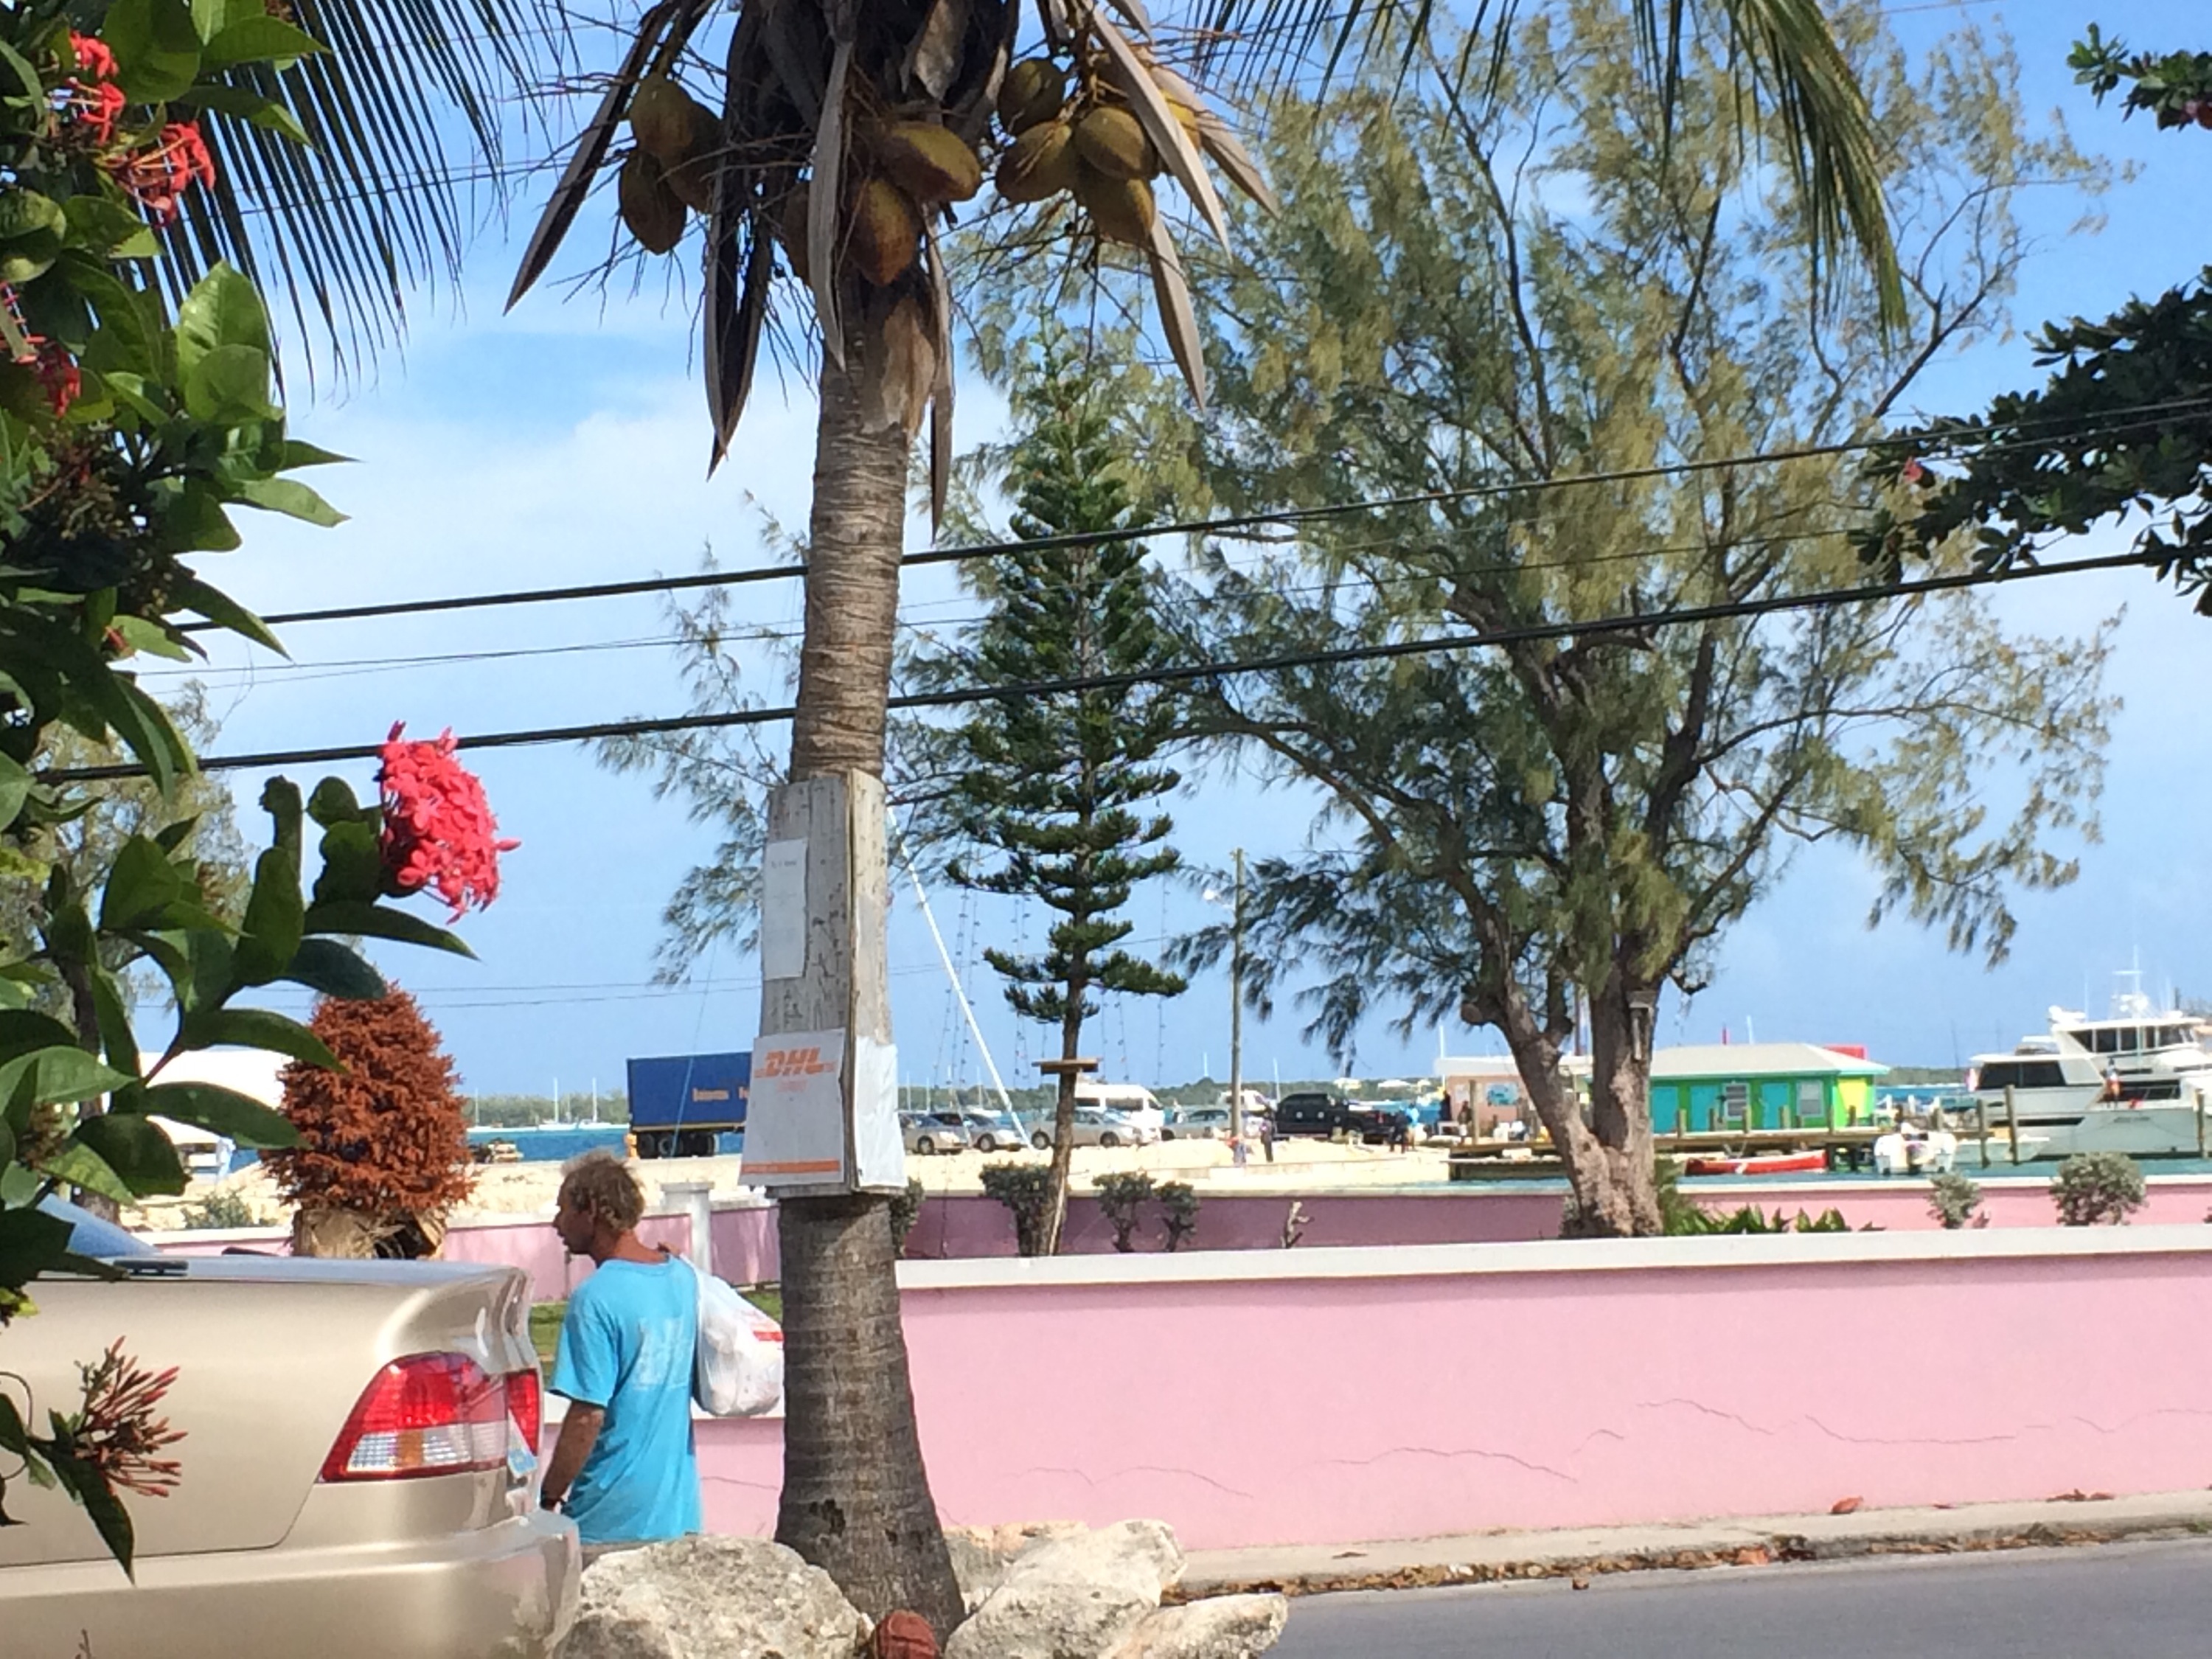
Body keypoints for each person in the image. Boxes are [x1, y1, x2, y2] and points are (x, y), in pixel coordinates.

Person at [541, 1151, 700, 1551]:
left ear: (591, 1212)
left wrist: (549, 1495)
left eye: (564, 1210)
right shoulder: (682, 1277)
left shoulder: (594, 1298)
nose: (557, 1223)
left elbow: (587, 1415)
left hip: (608, 1519)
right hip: (678, 1517)